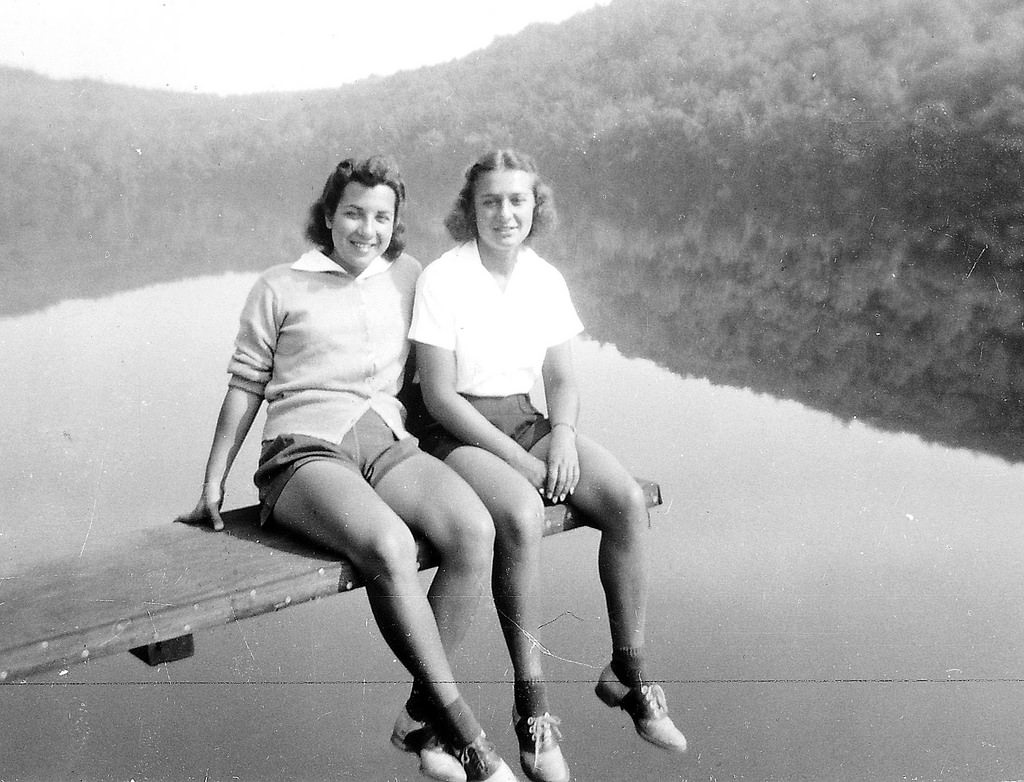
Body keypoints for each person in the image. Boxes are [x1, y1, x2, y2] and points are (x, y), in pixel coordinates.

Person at [177, 156, 519, 782]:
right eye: (354, 213)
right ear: (329, 216)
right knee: (388, 545)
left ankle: (419, 717)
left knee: (475, 532)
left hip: (387, 443)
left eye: (382, 216)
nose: (367, 229)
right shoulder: (279, 285)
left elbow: (466, 322)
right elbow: (245, 386)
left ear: (396, 223)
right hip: (304, 453)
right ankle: (467, 735)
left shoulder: (410, 276)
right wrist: (212, 482)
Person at [407, 149, 688, 782]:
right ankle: (530, 707)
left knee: (624, 499)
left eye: (517, 201)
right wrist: (520, 461)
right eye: (491, 202)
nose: (505, 214)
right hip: (455, 431)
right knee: (520, 512)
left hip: (526, 418)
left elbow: (561, 376)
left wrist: (561, 435)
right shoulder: (443, 278)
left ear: (537, 206)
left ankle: (628, 670)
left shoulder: (544, 278)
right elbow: (439, 397)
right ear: (469, 209)